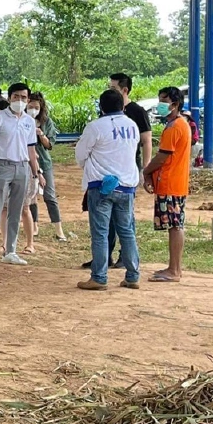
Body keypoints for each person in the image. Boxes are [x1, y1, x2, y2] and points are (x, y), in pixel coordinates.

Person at [82, 73, 150, 269]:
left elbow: (146, 141)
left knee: (109, 227)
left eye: (112, 88)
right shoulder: (114, 121)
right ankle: (126, 269)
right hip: (122, 180)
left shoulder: (136, 113)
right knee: (117, 225)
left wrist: (144, 168)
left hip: (114, 178)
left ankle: (103, 271)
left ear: (124, 90)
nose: (109, 90)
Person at [75, 89, 141, 290]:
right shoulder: (132, 125)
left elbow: (80, 154)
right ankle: (132, 276)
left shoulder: (95, 127)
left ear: (101, 107)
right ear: (122, 106)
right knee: (127, 231)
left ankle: (99, 277)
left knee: (101, 233)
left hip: (101, 187)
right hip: (127, 186)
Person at [0, 83, 41, 267]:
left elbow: (31, 149)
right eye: (16, 97)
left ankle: (10, 250)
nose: (20, 101)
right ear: (9, 98)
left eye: (23, 97)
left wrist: (35, 175)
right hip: (3, 166)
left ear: (27, 99)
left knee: (16, 211)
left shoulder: (29, 121)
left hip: (22, 168)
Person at [142, 86, 192, 282]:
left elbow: (162, 156)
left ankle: (174, 269)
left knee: (174, 226)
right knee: (175, 224)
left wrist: (146, 171)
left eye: (164, 100)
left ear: (175, 104)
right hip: (174, 182)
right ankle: (174, 267)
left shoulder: (174, 128)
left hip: (171, 183)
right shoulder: (180, 125)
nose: (160, 104)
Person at [27, 93, 68, 242]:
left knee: (49, 196)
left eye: (36, 107)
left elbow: (49, 145)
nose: (33, 110)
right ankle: (34, 226)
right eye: (30, 107)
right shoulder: (21, 121)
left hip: (44, 162)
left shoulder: (46, 122)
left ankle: (59, 230)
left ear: (41, 107)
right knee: (31, 196)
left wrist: (40, 134)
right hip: (26, 162)